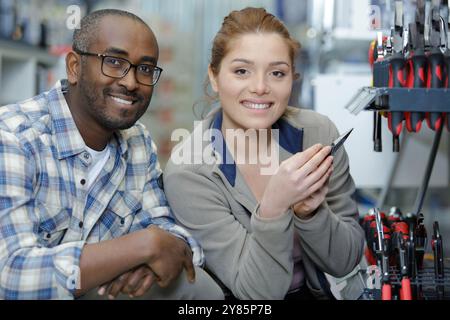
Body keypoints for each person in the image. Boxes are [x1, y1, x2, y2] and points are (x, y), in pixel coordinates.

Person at [0, 9, 223, 300]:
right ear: (74, 67)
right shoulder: (14, 136)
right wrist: (142, 247)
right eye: (114, 62)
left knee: (199, 289)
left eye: (145, 68)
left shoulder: (138, 142)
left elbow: (170, 234)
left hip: (105, 289)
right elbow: (10, 277)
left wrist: (152, 256)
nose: (131, 82)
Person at [164, 7, 366, 300]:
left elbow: (345, 259)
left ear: (292, 79)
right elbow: (257, 293)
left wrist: (311, 214)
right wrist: (274, 207)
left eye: (277, 73)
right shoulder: (189, 173)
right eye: (241, 71)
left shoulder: (317, 134)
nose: (260, 87)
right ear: (215, 77)